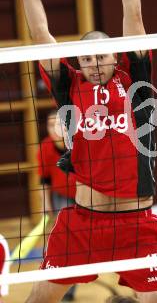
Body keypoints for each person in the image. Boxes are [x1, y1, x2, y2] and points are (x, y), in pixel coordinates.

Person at [1, 0, 157, 302]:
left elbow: (134, 16)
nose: (94, 65)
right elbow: (40, 34)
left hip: (137, 222)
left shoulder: (135, 82)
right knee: (38, 298)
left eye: (101, 57)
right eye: (87, 59)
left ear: (115, 57)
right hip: (83, 220)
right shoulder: (69, 86)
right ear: (79, 62)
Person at [37, 111, 77, 301]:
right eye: (49, 124)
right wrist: (45, 204)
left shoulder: (78, 142)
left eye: (58, 124)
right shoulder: (45, 147)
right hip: (61, 197)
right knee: (63, 242)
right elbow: (43, 180)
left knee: (80, 241)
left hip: (85, 196)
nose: (53, 129)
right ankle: (65, 289)